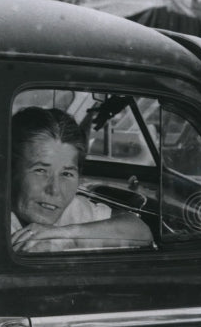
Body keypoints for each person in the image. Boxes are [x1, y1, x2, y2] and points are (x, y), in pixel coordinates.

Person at [10, 106, 153, 253]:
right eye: (40, 170)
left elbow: (141, 232)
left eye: (66, 174)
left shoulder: (71, 208)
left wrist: (64, 237)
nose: (55, 189)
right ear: (10, 171)